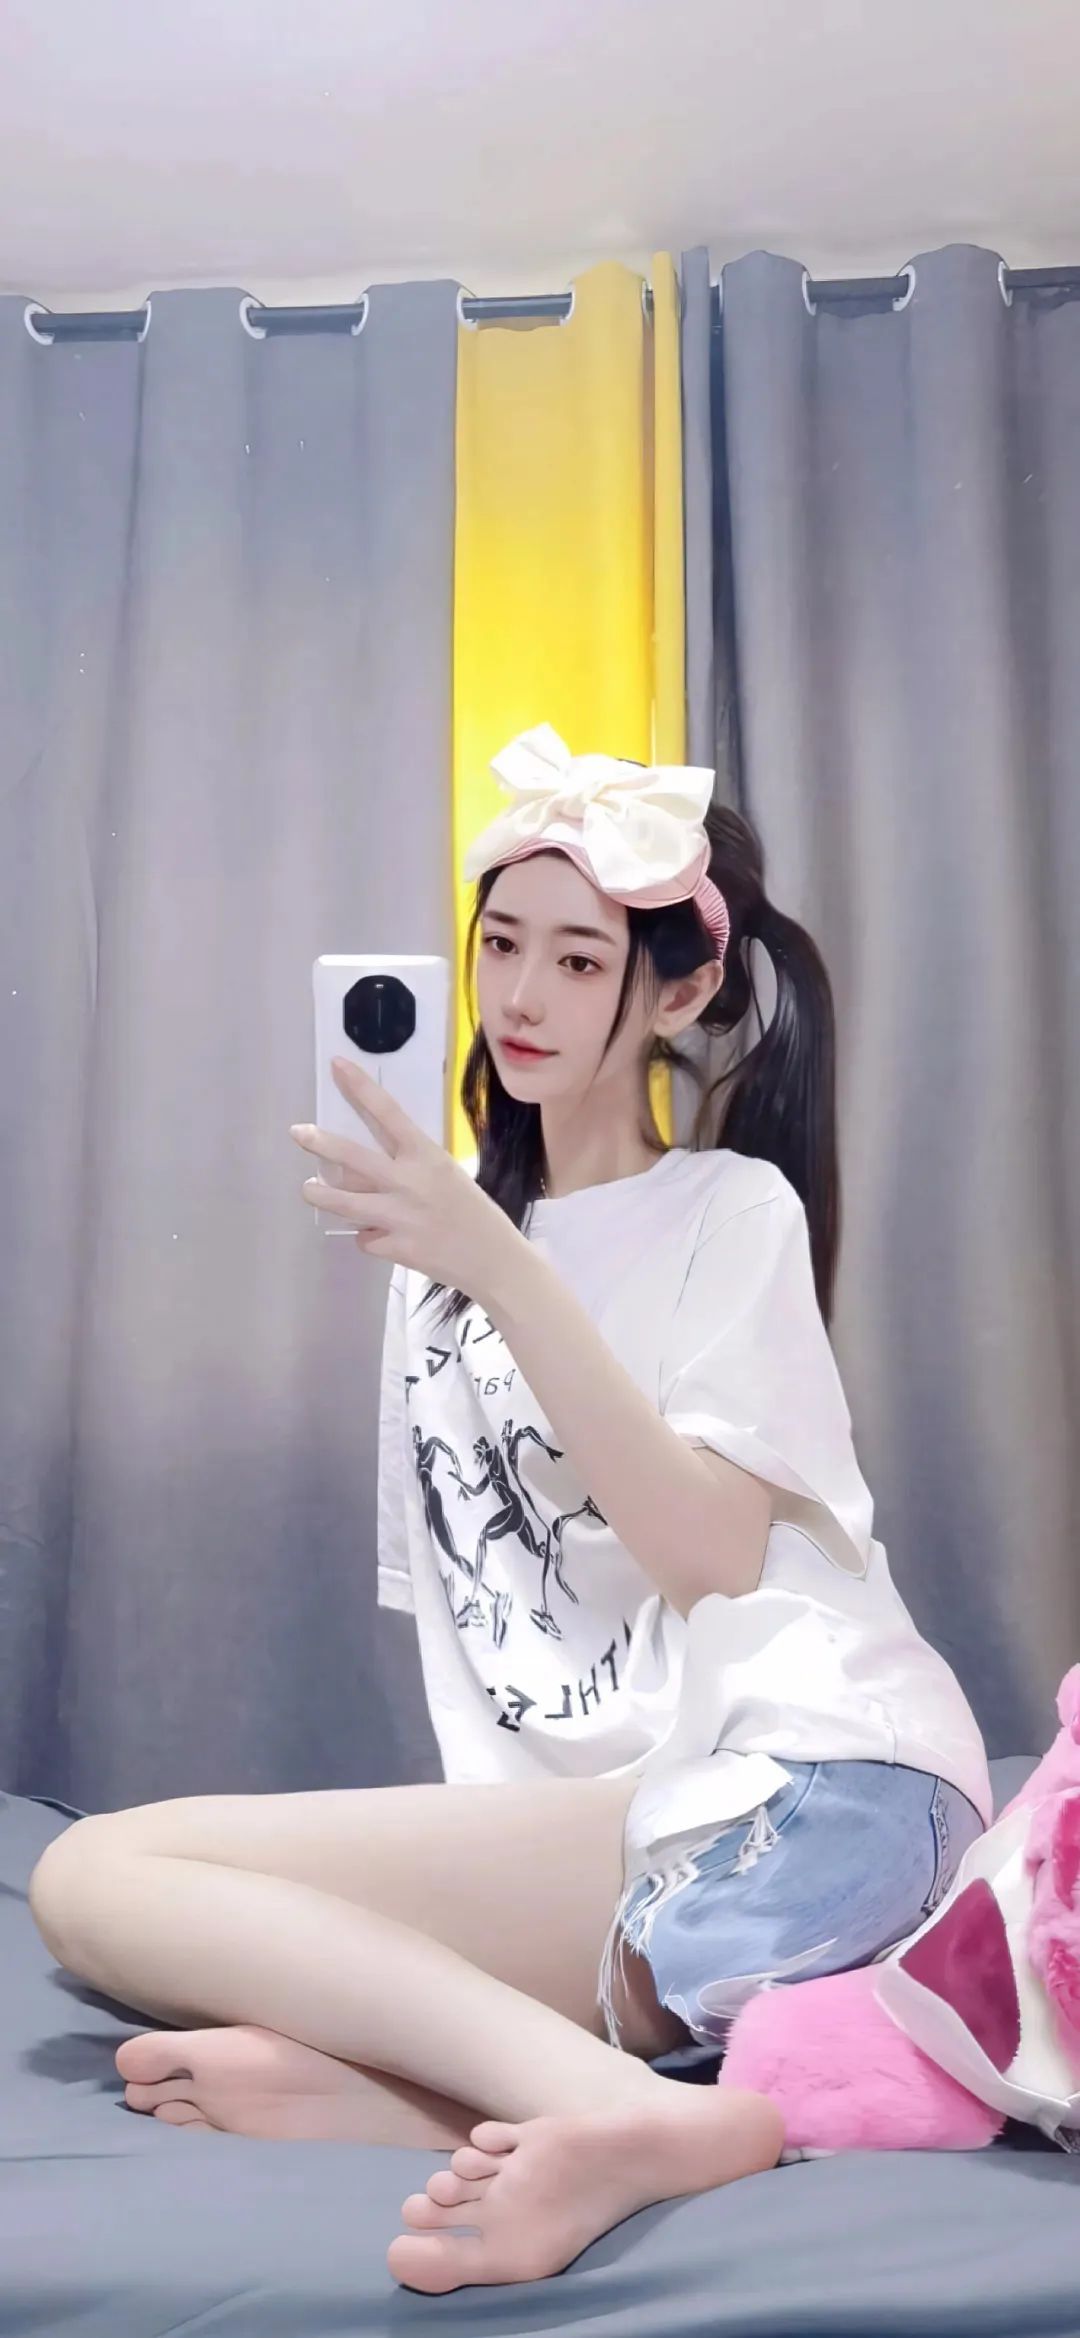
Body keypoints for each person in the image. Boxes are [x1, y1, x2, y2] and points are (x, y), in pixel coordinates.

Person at [28, 723, 993, 2294]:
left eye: (578, 958)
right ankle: (458, 2093)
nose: (523, 996)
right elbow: (508, 1661)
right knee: (109, 1898)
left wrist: (501, 1264)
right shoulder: (443, 1264)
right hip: (645, 1839)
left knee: (98, 1878)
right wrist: (476, 1252)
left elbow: (711, 1556)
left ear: (674, 994)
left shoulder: (725, 1208)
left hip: (823, 1778)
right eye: (500, 946)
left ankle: (624, 2107)